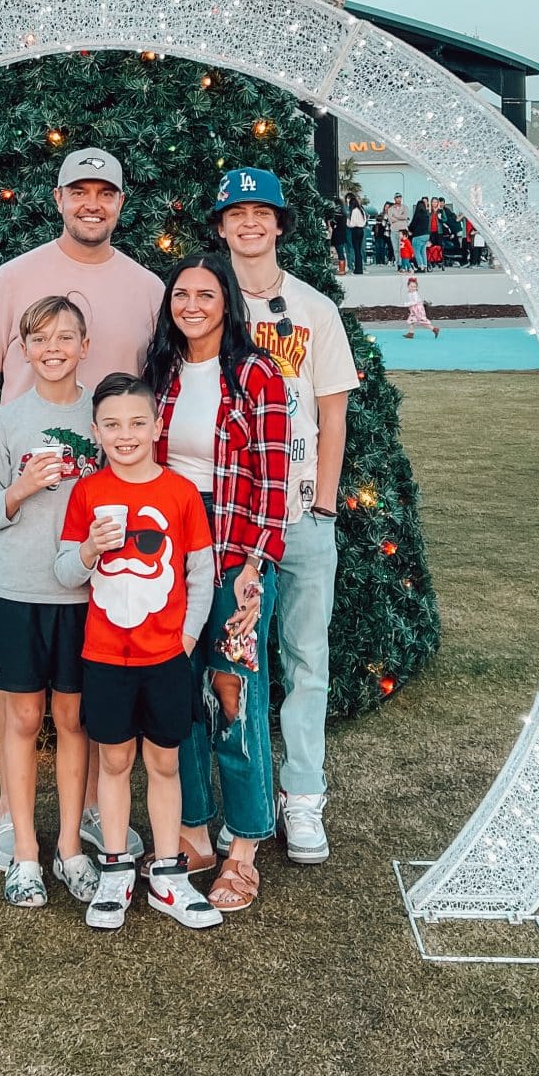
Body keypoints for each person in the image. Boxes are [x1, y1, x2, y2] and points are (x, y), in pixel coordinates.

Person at [0, 147, 163, 873]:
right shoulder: (14, 278)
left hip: (105, 527)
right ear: (59, 198)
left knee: (100, 670)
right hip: (24, 527)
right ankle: (13, 815)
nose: (92, 204)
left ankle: (103, 806)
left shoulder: (146, 286)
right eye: (80, 192)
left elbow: (151, 399)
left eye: (107, 191)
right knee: (20, 690)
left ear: (121, 202)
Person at [211, 168, 362, 863]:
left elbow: (333, 408)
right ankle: (246, 802)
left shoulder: (313, 309)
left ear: (278, 224)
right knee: (238, 663)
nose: (249, 224)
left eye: (260, 213)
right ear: (221, 227)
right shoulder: (204, 303)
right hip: (236, 515)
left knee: (307, 658)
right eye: (236, 213)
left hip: (301, 509)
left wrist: (326, 501)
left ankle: (303, 797)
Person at [146, 253, 290, 915]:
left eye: (207, 294)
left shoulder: (256, 374)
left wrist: (254, 569)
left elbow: (272, 479)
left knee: (235, 690)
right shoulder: (161, 373)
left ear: (226, 302)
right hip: (172, 553)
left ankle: (245, 847)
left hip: (237, 554)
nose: (194, 305)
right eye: (183, 294)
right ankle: (195, 834)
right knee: (179, 688)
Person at [55, 372, 219, 931]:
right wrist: (86, 551)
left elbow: (202, 573)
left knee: (165, 761)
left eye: (136, 423)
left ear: (157, 425)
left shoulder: (178, 494)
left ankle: (168, 877)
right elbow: (63, 571)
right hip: (104, 656)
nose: (125, 435)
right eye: (112, 425)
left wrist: (190, 638)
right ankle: (116, 869)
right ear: (96, 431)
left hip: (166, 657)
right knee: (116, 761)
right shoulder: (88, 493)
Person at [0, 296, 102, 909]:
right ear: (22, 350)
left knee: (75, 721)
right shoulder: (6, 422)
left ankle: (71, 847)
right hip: (20, 594)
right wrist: (21, 489)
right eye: (40, 339)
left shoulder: (102, 417)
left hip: (84, 597)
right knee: (23, 721)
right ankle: (26, 849)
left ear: (85, 345)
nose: (52, 348)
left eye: (65, 337)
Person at [345, 191, 367, 275]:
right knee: (359, 250)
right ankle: (360, 268)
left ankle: (357, 270)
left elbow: (352, 224)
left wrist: (347, 221)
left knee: (356, 250)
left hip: (355, 231)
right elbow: (364, 221)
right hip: (361, 230)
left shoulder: (354, 211)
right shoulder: (361, 210)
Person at [386, 197, 409, 267]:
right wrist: (400, 218)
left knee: (403, 248)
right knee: (396, 248)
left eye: (400, 198)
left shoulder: (405, 208)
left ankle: (404, 263)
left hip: (403, 230)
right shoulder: (390, 209)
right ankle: (398, 263)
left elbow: (405, 217)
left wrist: (395, 216)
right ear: (394, 199)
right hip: (394, 230)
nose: (398, 199)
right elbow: (390, 219)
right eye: (397, 198)